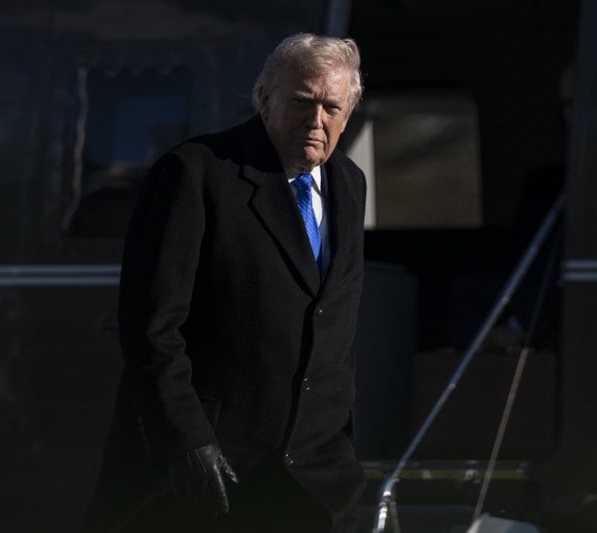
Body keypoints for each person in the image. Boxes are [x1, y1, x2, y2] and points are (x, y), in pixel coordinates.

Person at [82, 33, 367, 533]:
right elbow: (152, 326)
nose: (316, 120)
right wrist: (186, 438)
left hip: (313, 474)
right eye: (302, 102)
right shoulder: (196, 173)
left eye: (331, 108)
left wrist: (337, 434)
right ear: (265, 100)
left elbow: (330, 317)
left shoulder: (348, 183)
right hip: (209, 469)